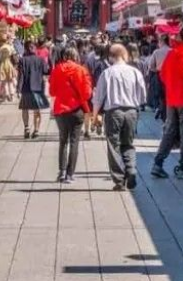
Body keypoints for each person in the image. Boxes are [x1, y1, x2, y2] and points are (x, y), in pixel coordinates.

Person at [93, 43, 147, 191]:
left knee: (114, 145)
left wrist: (95, 115)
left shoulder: (107, 73)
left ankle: (119, 179)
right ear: (125, 55)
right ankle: (131, 170)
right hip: (131, 111)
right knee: (128, 143)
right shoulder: (135, 72)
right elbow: (143, 96)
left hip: (113, 112)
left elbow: (99, 97)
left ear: (111, 57)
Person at [151, 26, 183, 179]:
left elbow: (163, 76)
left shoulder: (172, 54)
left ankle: (158, 163)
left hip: (171, 99)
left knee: (169, 131)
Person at [49, 47, 93, 184]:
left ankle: (61, 171)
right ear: (76, 56)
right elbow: (87, 93)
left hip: (60, 109)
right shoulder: (81, 70)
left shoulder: (57, 69)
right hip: (76, 110)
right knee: (74, 141)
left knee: (63, 140)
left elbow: (52, 91)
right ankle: (70, 174)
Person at [18, 40, 49, 139]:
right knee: (37, 110)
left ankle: (26, 127)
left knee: (25, 108)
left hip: (26, 88)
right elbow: (46, 71)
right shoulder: (40, 60)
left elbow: (21, 76)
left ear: (26, 49)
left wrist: (18, 88)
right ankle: (36, 130)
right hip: (38, 88)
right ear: (34, 48)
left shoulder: (22, 60)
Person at [148, 34, 171, 119]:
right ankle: (169, 114)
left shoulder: (156, 52)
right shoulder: (172, 51)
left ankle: (163, 113)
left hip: (160, 75)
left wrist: (156, 70)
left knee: (161, 97)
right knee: (169, 97)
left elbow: (151, 66)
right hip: (171, 76)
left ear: (161, 41)